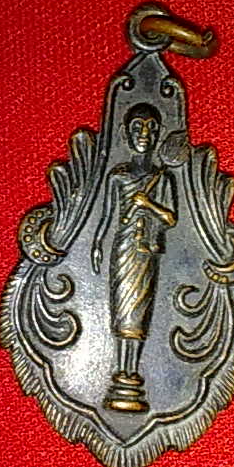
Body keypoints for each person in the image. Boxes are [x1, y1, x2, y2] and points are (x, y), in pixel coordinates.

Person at [91, 103, 176, 412]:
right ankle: (120, 371)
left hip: (146, 249)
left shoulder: (162, 179)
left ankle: (132, 373)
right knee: (121, 306)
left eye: (150, 128)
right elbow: (106, 216)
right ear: (125, 134)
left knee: (140, 310)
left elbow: (171, 218)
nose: (144, 134)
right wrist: (97, 243)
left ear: (157, 135)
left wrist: (148, 204)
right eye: (137, 127)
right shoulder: (118, 176)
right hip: (123, 248)